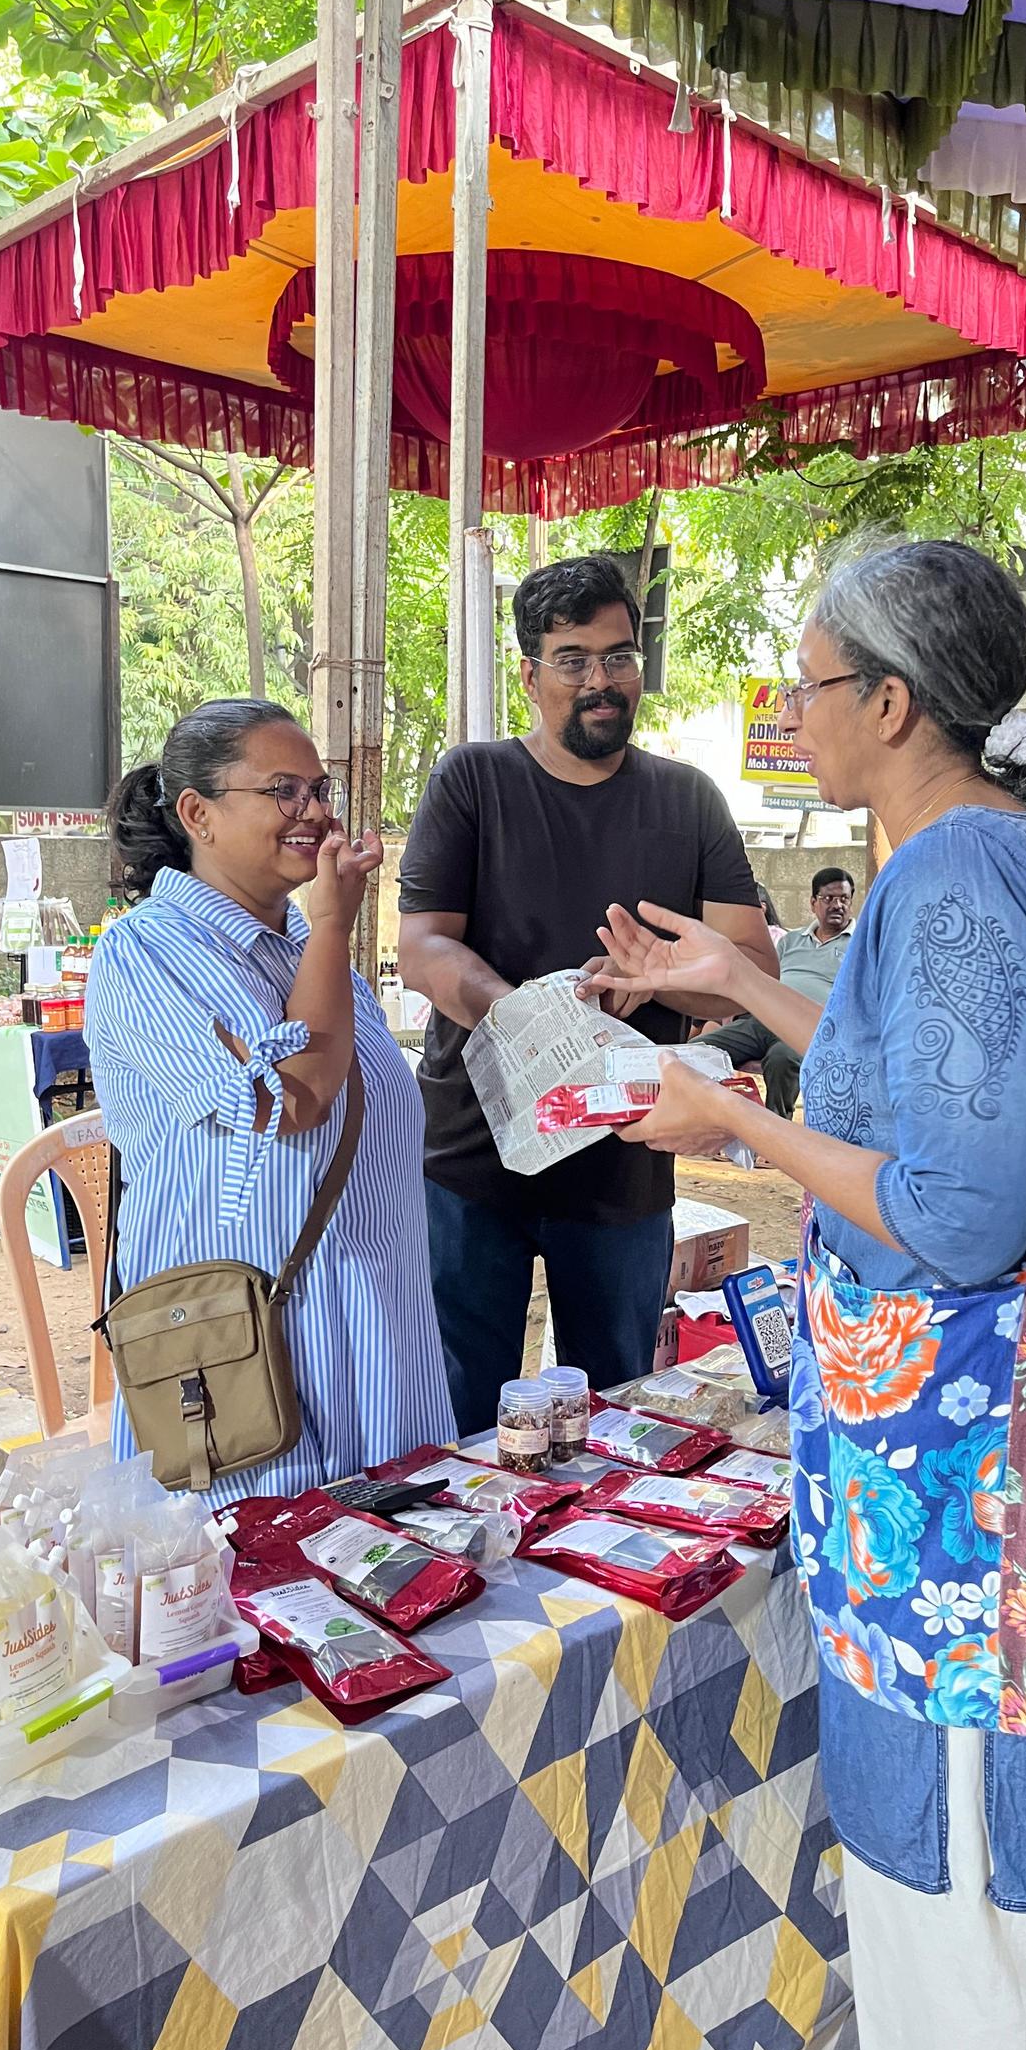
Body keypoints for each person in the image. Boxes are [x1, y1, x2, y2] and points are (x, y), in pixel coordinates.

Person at [596, 539, 1026, 2050]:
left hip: (979, 1505)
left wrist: (732, 1127)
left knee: (979, 1936)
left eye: (814, 680)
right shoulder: (1007, 848)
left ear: (896, 704)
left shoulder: (957, 872)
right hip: (995, 1453)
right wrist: (747, 983)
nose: (795, 705)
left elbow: (959, 1214)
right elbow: (938, 1079)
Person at [398, 553, 775, 1436]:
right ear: (530, 674)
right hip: (473, 1150)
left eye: (619, 656)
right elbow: (422, 948)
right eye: (573, 659)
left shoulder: (689, 800)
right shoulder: (473, 782)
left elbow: (750, 961)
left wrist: (674, 979)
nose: (601, 681)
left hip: (624, 1154)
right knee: (460, 1408)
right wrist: (541, 1015)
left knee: (616, 1408)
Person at [85, 699, 455, 1507]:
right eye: (285, 791)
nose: (316, 813)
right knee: (268, 1607)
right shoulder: (143, 953)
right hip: (252, 1371)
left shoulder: (310, 956)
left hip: (376, 1349)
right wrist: (332, 927)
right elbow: (294, 1101)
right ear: (198, 814)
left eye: (321, 789)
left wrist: (322, 936)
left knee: (397, 1603)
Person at [691, 866, 854, 1115]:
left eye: (844, 898)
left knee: (782, 1059)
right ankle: (712, 1122)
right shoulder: (791, 940)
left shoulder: (858, 947)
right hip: (763, 1020)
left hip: (808, 1028)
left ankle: (774, 1139)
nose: (837, 905)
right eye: (828, 898)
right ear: (813, 903)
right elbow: (765, 981)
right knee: (698, 1051)